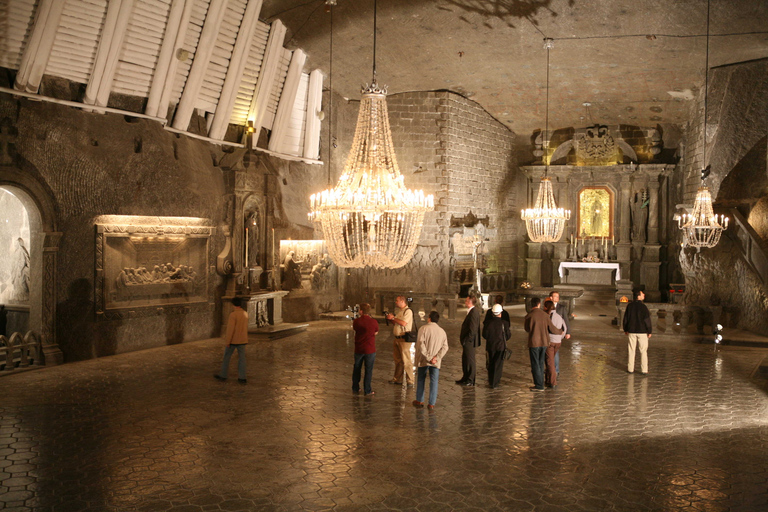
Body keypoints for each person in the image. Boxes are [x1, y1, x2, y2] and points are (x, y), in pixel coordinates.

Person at [524, 297, 564, 391]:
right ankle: (541, 382)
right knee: (541, 362)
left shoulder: (529, 315)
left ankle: (539, 385)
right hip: (544, 342)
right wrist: (560, 331)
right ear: (539, 304)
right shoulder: (545, 315)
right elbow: (552, 328)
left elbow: (527, 329)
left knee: (535, 363)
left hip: (534, 343)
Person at [412, 311, 449, 409]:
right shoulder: (442, 331)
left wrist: (428, 357)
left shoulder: (423, 329)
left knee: (421, 379)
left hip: (423, 360)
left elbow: (420, 344)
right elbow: (445, 347)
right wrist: (436, 358)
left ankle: (419, 400)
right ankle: (432, 403)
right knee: (434, 381)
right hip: (435, 362)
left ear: (429, 318)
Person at [215, 297, 249, 383]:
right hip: (242, 340)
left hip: (233, 340)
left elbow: (230, 329)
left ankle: (223, 375)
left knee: (227, 357)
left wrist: (228, 341)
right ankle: (242, 377)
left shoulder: (233, 315)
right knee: (242, 359)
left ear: (233, 304)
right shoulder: (245, 313)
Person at [385, 296, 414, 387]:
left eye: (397, 300)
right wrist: (390, 319)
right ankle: (397, 378)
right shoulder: (400, 311)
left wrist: (393, 318)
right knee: (398, 360)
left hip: (404, 339)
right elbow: (396, 323)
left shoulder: (408, 311)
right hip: (397, 338)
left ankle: (410, 380)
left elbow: (404, 323)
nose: (395, 302)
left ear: (402, 301)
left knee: (406, 360)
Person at [623, 289, 652, 375]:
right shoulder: (643, 307)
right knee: (643, 351)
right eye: (642, 294)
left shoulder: (630, 306)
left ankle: (630, 368)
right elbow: (647, 320)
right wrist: (649, 331)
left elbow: (626, 319)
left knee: (631, 350)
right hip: (642, 331)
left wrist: (626, 329)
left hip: (632, 331)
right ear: (638, 296)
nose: (644, 295)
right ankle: (644, 369)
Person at [352, 303, 378, 395]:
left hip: (359, 348)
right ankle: (367, 390)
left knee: (357, 368)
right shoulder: (374, 322)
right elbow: (376, 332)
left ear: (361, 311)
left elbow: (356, 330)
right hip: (370, 349)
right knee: (368, 370)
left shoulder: (356, 321)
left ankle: (355, 387)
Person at [456, 294, 482, 386]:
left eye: (467, 301)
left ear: (470, 302)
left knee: (470, 360)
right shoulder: (471, 311)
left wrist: (468, 340)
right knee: (465, 359)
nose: (465, 302)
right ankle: (465, 377)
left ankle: (470, 379)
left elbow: (473, 328)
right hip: (467, 341)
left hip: (469, 341)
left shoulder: (474, 312)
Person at [483, 303, 511, 388]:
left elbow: (484, 335)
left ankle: (491, 380)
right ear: (500, 313)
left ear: (492, 313)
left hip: (490, 346)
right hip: (500, 346)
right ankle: (495, 382)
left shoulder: (488, 323)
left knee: (491, 363)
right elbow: (508, 335)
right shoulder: (504, 323)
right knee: (498, 365)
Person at [543, 300, 567, 389]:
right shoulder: (559, 316)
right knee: (550, 360)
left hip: (550, 342)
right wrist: (560, 338)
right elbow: (564, 328)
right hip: (558, 342)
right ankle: (548, 379)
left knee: (550, 362)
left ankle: (552, 381)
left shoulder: (547, 317)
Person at [548, 291, 571, 375]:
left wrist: (567, 332)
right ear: (551, 297)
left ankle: (556, 369)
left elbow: (566, 320)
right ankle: (550, 368)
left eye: (558, 296)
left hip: (558, 333)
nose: (557, 298)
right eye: (555, 296)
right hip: (549, 333)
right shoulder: (547, 307)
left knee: (555, 352)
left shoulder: (561, 308)